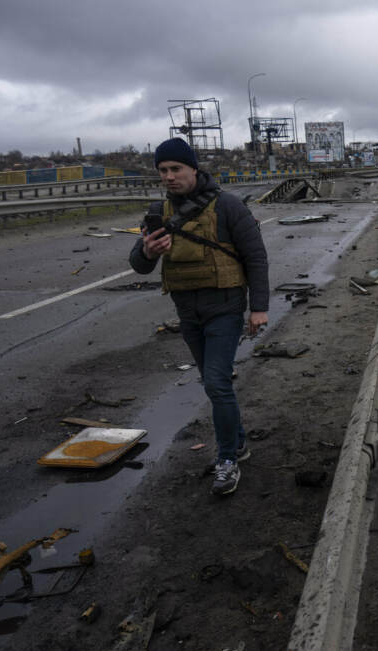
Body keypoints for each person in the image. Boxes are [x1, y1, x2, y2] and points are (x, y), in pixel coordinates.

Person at [130, 138, 269, 495]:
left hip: (225, 307)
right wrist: (148, 251)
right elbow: (138, 266)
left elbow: (256, 256)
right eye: (163, 170)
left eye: (176, 169)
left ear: (193, 168)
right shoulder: (157, 212)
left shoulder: (228, 206)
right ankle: (238, 443)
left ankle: (227, 460)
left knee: (217, 383)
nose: (169, 176)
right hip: (188, 312)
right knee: (213, 382)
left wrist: (259, 308)